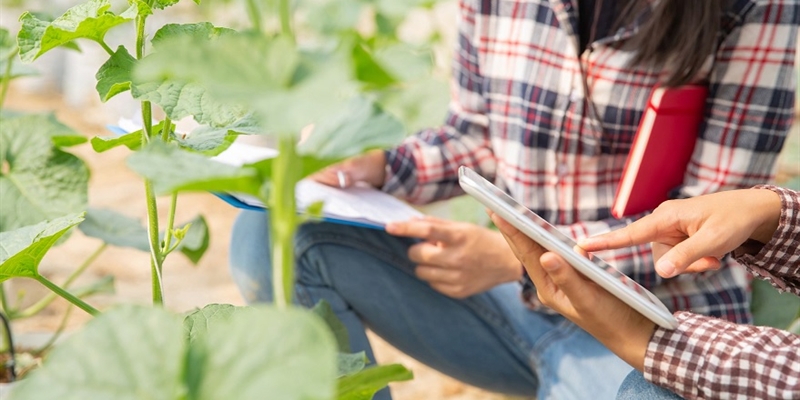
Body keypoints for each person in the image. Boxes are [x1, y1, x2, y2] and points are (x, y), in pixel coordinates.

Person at [228, 1, 798, 398]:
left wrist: (515, 257)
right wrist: (376, 165)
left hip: (652, 330)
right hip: (507, 307)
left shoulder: (754, 6)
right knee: (274, 240)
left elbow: (708, 228)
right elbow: (473, 136)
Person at [489, 185, 800, 399]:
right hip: (545, 311)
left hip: (687, 313)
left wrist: (647, 340)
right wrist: (772, 212)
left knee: (649, 392)